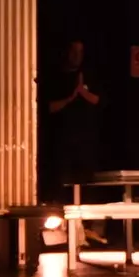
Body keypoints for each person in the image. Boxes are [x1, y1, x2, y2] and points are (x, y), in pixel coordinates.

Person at [42, 40, 102, 205]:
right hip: (63, 143)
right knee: (63, 185)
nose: (77, 56)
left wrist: (82, 91)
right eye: (74, 51)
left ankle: (87, 228)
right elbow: (48, 107)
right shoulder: (56, 77)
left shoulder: (88, 75)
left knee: (87, 186)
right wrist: (70, 98)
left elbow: (98, 100)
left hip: (86, 143)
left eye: (80, 52)